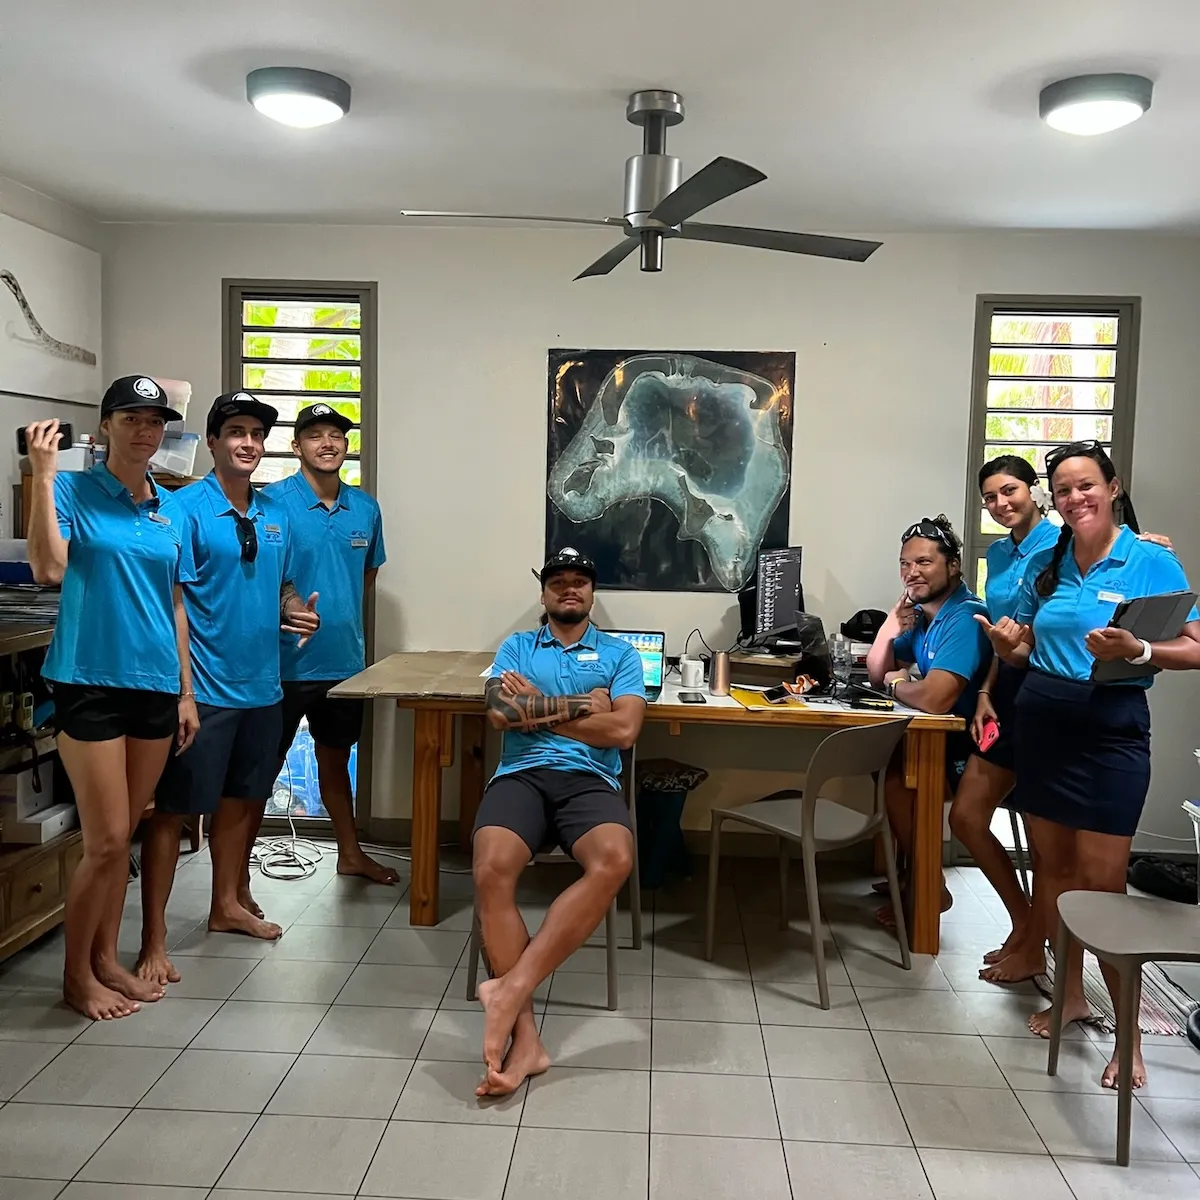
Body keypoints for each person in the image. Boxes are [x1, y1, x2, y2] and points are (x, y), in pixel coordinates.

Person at [978, 440, 1200, 1089]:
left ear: (1111, 485)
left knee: (1103, 887)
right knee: (1053, 873)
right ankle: (1069, 995)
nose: (1075, 499)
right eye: (1065, 490)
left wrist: (1140, 648)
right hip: (1043, 721)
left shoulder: (1149, 559)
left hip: (1111, 731)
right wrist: (1008, 648)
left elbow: (1195, 645)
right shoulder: (1050, 558)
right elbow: (1025, 646)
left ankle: (1127, 1036)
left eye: (1085, 486)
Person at [26, 377, 199, 1020]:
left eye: (155, 421)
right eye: (131, 418)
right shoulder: (70, 489)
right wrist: (42, 475)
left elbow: (175, 603)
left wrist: (185, 690)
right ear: (105, 428)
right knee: (101, 842)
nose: (144, 430)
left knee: (123, 833)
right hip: (89, 680)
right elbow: (48, 567)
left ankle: (106, 959)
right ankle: (77, 977)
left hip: (155, 685)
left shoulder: (169, 507)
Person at [136, 392, 320, 987]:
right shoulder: (182, 508)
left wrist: (294, 608)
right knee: (173, 812)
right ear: (213, 441)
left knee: (244, 802)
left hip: (263, 688)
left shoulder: (274, 514)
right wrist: (183, 693)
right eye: (236, 431)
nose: (248, 443)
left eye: (257, 434)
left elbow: (282, 581)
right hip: (202, 690)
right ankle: (154, 940)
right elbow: (173, 601)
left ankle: (225, 906)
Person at [472, 547, 645, 1097]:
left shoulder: (620, 654)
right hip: (520, 777)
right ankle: (527, 1040)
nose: (569, 589)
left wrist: (540, 710)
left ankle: (510, 989)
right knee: (491, 868)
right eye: (558, 582)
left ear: (592, 593)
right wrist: (584, 706)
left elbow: (623, 734)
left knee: (615, 858)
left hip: (589, 781)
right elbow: (501, 715)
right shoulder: (517, 647)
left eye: (580, 581)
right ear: (543, 592)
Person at [263, 403, 393, 883]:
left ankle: (351, 855)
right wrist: (285, 601)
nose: (327, 443)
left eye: (336, 435)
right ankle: (234, 882)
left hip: (343, 664)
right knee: (262, 768)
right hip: (280, 665)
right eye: (314, 435)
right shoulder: (270, 502)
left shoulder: (365, 507)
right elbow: (253, 574)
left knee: (336, 762)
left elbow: (367, 576)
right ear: (296, 447)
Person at [952, 457, 1060, 979]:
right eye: (990, 498)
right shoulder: (996, 553)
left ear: (1034, 491)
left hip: (1047, 689)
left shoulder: (1061, 545)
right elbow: (1000, 632)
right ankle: (1023, 923)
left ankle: (1035, 946)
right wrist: (986, 691)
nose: (1000, 505)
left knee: (1043, 841)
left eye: (1009, 491)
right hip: (1007, 689)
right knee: (967, 815)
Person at [866, 515, 991, 927]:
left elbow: (936, 698)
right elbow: (876, 670)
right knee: (883, 764)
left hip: (971, 746)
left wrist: (898, 685)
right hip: (938, 736)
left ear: (952, 565)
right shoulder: (923, 614)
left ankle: (928, 884)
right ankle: (909, 874)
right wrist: (891, 620)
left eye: (923, 563)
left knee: (898, 780)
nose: (911, 573)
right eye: (905, 564)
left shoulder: (965, 617)